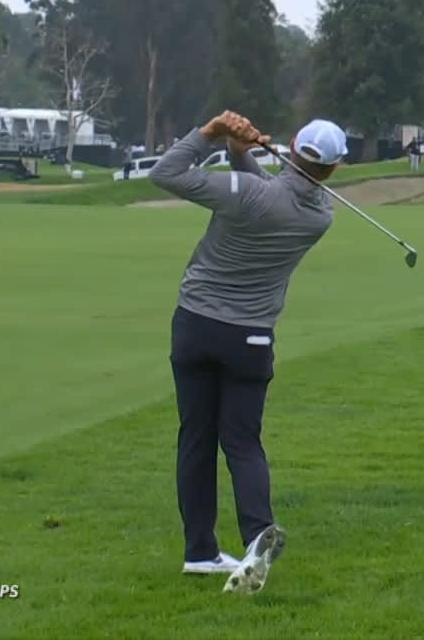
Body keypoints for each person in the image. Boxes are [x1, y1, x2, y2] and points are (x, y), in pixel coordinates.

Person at [148, 110, 347, 595]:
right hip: (250, 339)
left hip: (195, 327)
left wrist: (211, 134)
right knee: (241, 441)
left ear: (294, 144)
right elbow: (271, 196)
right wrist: (242, 152)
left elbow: (165, 173)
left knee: (196, 436)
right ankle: (257, 532)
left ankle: (200, 551)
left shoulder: (248, 195)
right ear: (334, 169)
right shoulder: (321, 215)